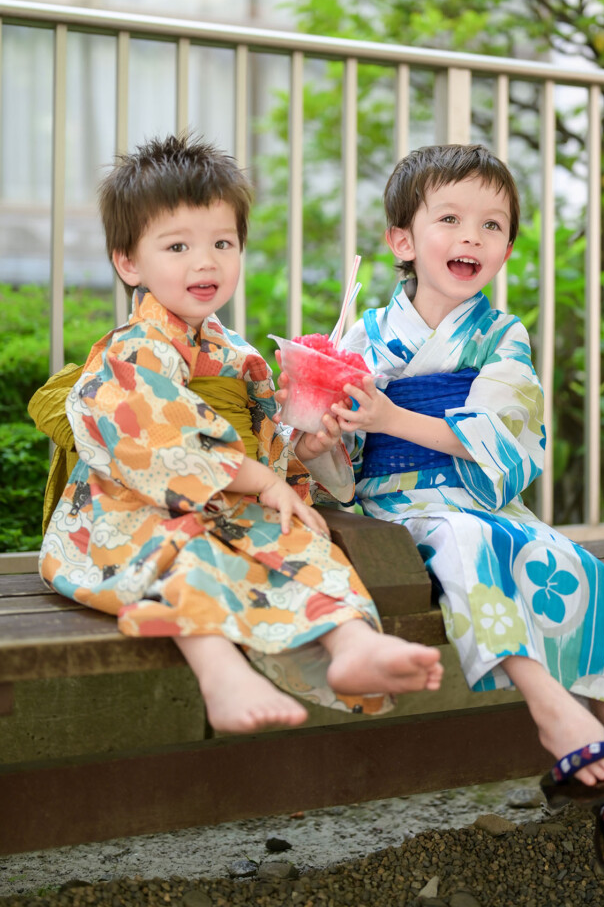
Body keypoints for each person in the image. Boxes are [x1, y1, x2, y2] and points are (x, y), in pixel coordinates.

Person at [291, 143, 604, 889]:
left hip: (484, 497)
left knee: (589, 575)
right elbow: (339, 470)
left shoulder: (502, 336)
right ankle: (555, 714)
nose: (471, 236)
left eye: (491, 225)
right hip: (399, 510)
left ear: (506, 248)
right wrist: (320, 444)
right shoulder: (362, 337)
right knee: (462, 540)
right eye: (450, 219)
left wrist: (390, 414)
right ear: (402, 240)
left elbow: (502, 433)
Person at [36, 133, 443, 738]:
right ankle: (220, 673)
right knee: (187, 555)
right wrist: (258, 479)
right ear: (129, 262)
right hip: (127, 515)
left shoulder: (234, 353)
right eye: (178, 246)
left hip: (223, 502)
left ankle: (351, 642)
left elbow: (267, 452)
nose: (205, 262)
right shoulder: (134, 350)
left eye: (222, 243)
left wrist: (300, 452)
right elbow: (160, 437)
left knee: (304, 542)